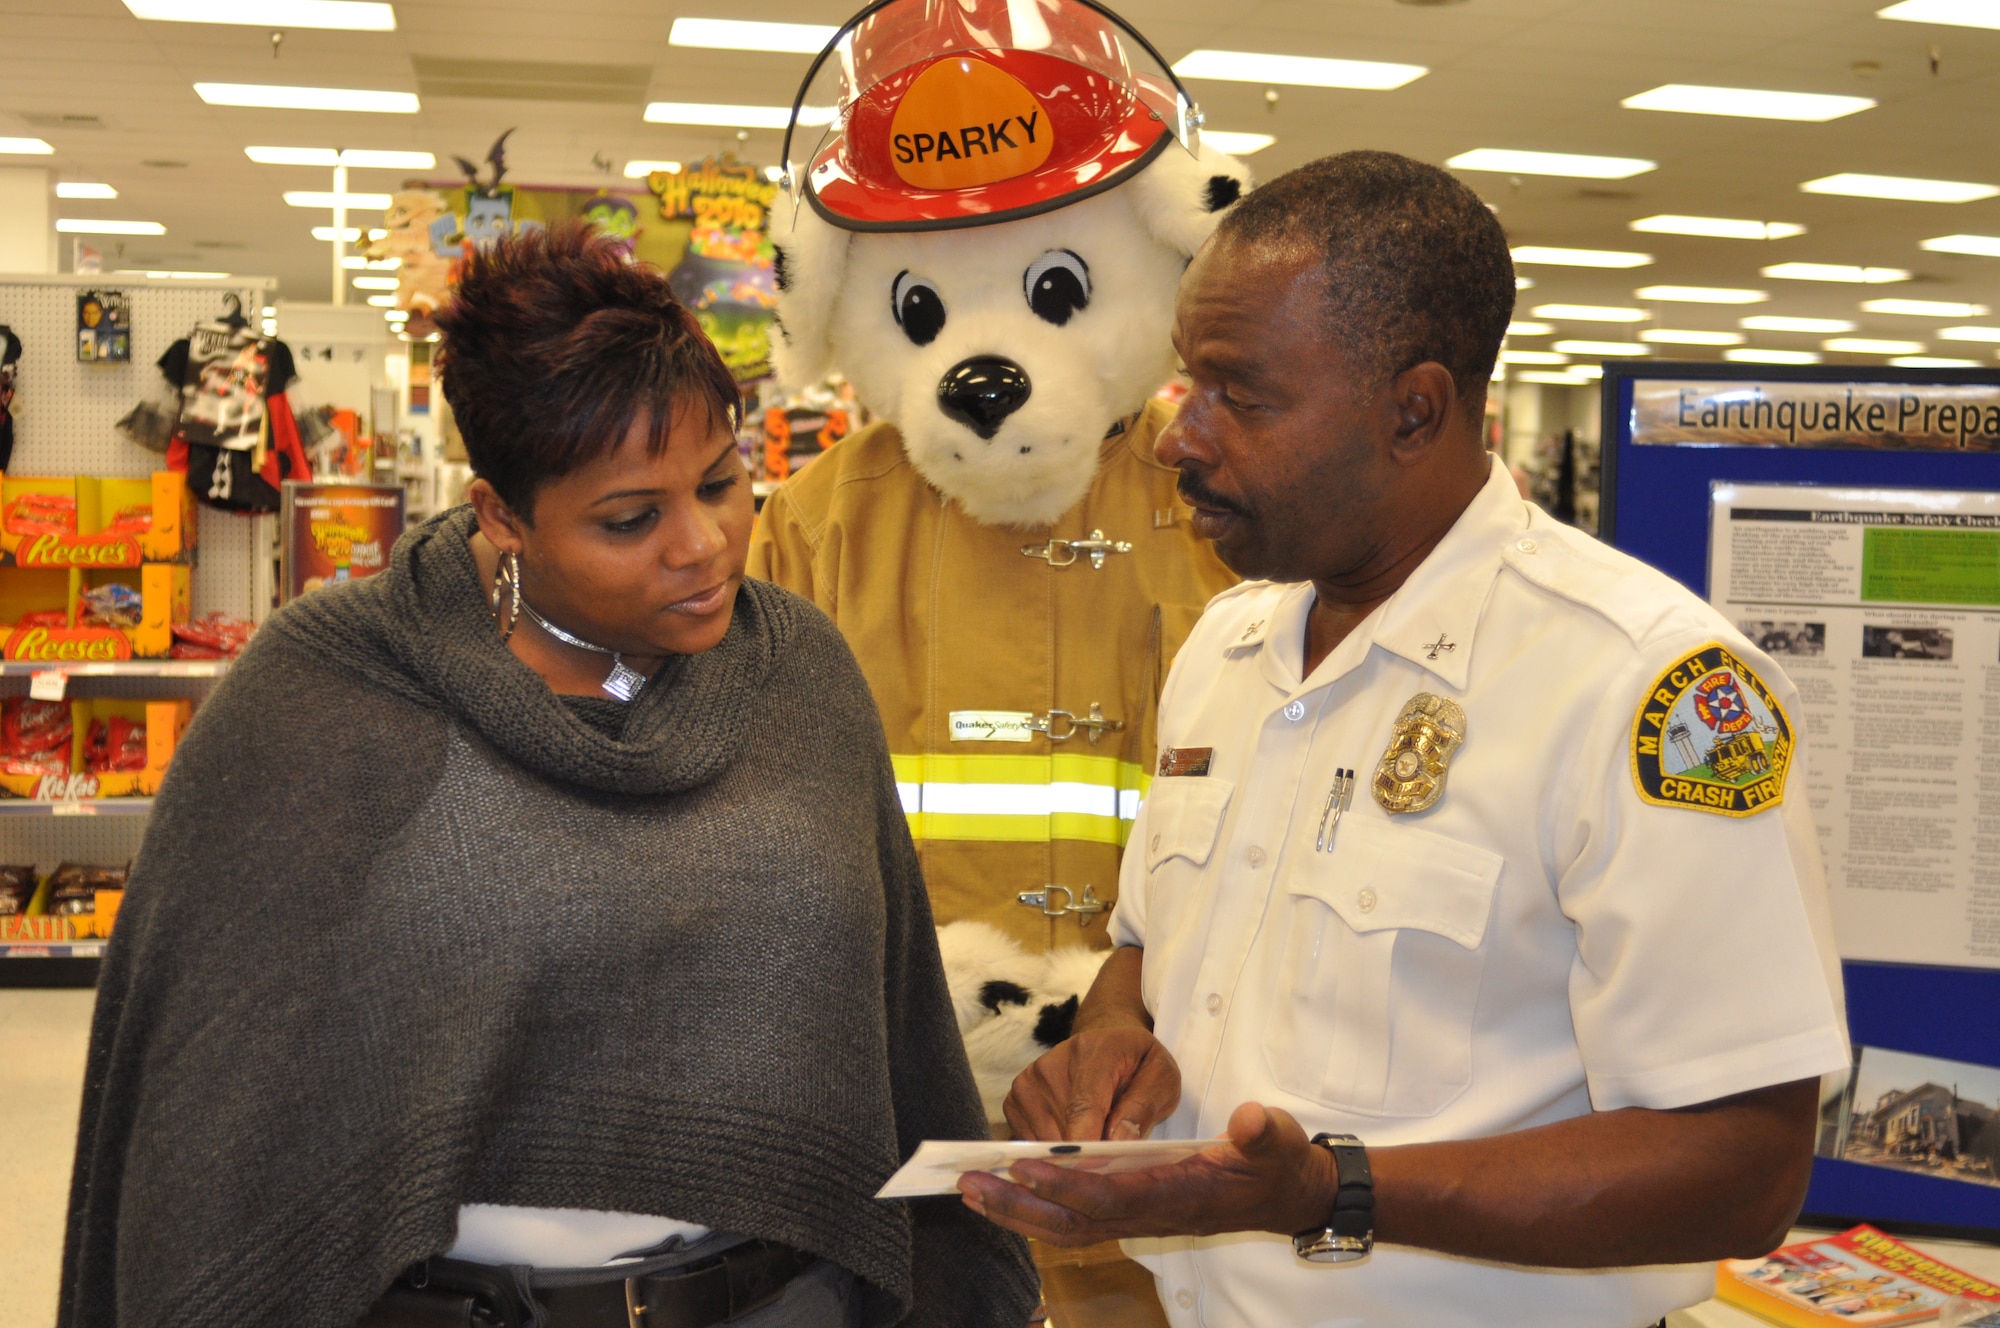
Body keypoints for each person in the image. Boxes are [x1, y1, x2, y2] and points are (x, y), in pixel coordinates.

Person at [59, 223, 1036, 1328]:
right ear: (501, 516)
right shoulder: (328, 692)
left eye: (722, 482)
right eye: (630, 519)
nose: (704, 543)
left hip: (786, 1297)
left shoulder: (796, 671)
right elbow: (211, 1092)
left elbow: (891, 1021)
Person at [960, 152, 1851, 1327]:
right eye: (1189, 384)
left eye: (1241, 395)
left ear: (1412, 409)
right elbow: (1148, 942)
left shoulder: (1644, 687)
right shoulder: (1228, 652)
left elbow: (1740, 1164)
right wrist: (1117, 1036)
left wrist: (1330, 1191)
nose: (1179, 437)